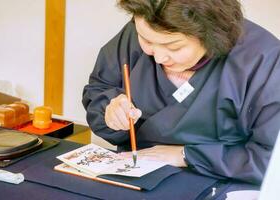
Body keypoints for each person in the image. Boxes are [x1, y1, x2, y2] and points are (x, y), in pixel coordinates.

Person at [82, 0, 280, 185]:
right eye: (146, 41)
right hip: (136, 174)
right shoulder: (139, 31)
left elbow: (270, 159)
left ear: (212, 34)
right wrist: (111, 111)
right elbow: (99, 89)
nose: (158, 57)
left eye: (173, 46)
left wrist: (185, 155)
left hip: (219, 183)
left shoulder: (263, 61)